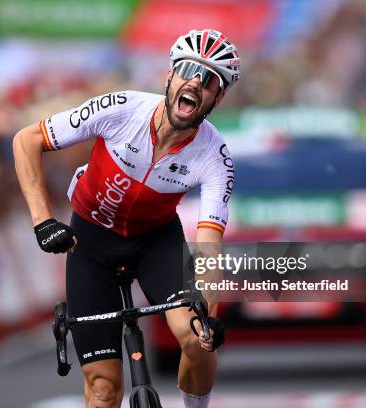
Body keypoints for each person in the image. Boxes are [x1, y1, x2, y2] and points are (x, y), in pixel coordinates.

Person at [14, 28, 239, 408]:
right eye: (187, 69)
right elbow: (26, 140)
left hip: (156, 243)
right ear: (169, 76)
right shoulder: (121, 109)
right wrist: (43, 221)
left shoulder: (215, 155)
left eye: (209, 80)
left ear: (218, 96)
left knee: (195, 337)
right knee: (103, 389)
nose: (195, 83)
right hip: (91, 241)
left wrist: (210, 315)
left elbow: (209, 246)